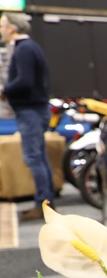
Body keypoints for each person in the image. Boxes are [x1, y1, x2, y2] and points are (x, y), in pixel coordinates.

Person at [0, 12, 53, 220]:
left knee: (33, 157)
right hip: (36, 110)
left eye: (2, 26)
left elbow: (24, 81)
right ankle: (47, 203)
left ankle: (42, 205)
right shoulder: (31, 47)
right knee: (40, 157)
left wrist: (4, 90)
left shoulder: (24, 49)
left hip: (31, 111)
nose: (1, 31)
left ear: (12, 28)